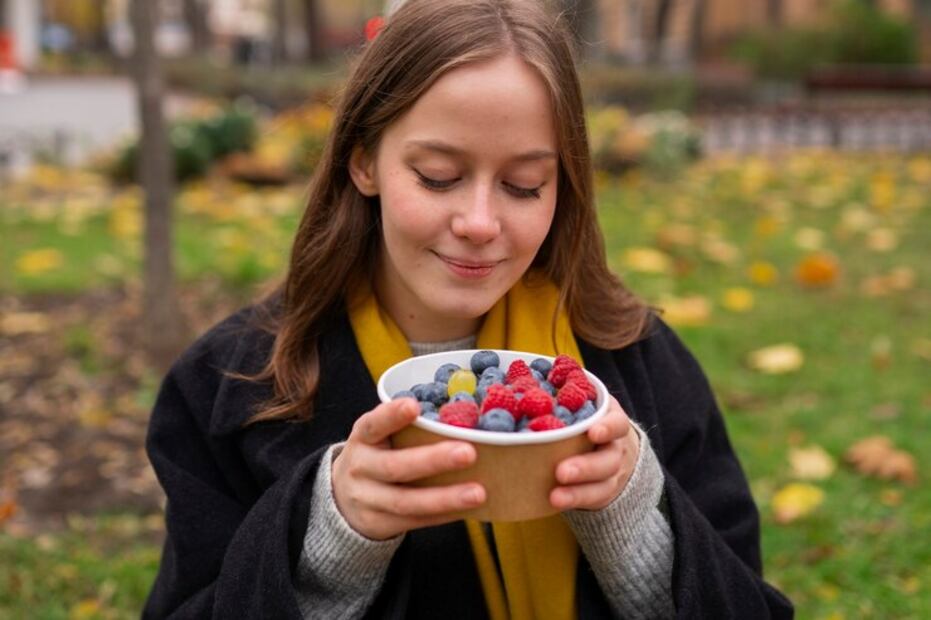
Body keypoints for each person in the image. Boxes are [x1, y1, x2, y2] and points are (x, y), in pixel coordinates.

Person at [142, 1, 794, 618]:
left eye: (523, 185)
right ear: (363, 160)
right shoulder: (228, 385)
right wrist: (329, 541)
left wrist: (634, 517)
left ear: (563, 186)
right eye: (437, 175)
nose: (479, 223)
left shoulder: (638, 360)